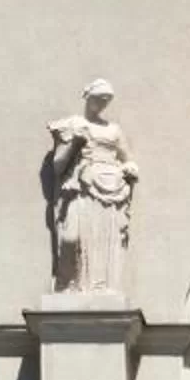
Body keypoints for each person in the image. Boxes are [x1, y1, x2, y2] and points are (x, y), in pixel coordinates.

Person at [46, 79, 139, 294]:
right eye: (99, 98)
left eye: (107, 100)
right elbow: (58, 166)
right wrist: (74, 144)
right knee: (71, 238)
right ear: (88, 97)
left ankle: (99, 286)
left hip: (111, 187)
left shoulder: (114, 130)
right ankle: (68, 284)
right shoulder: (72, 125)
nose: (102, 103)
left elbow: (127, 158)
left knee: (102, 239)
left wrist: (130, 168)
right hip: (80, 187)